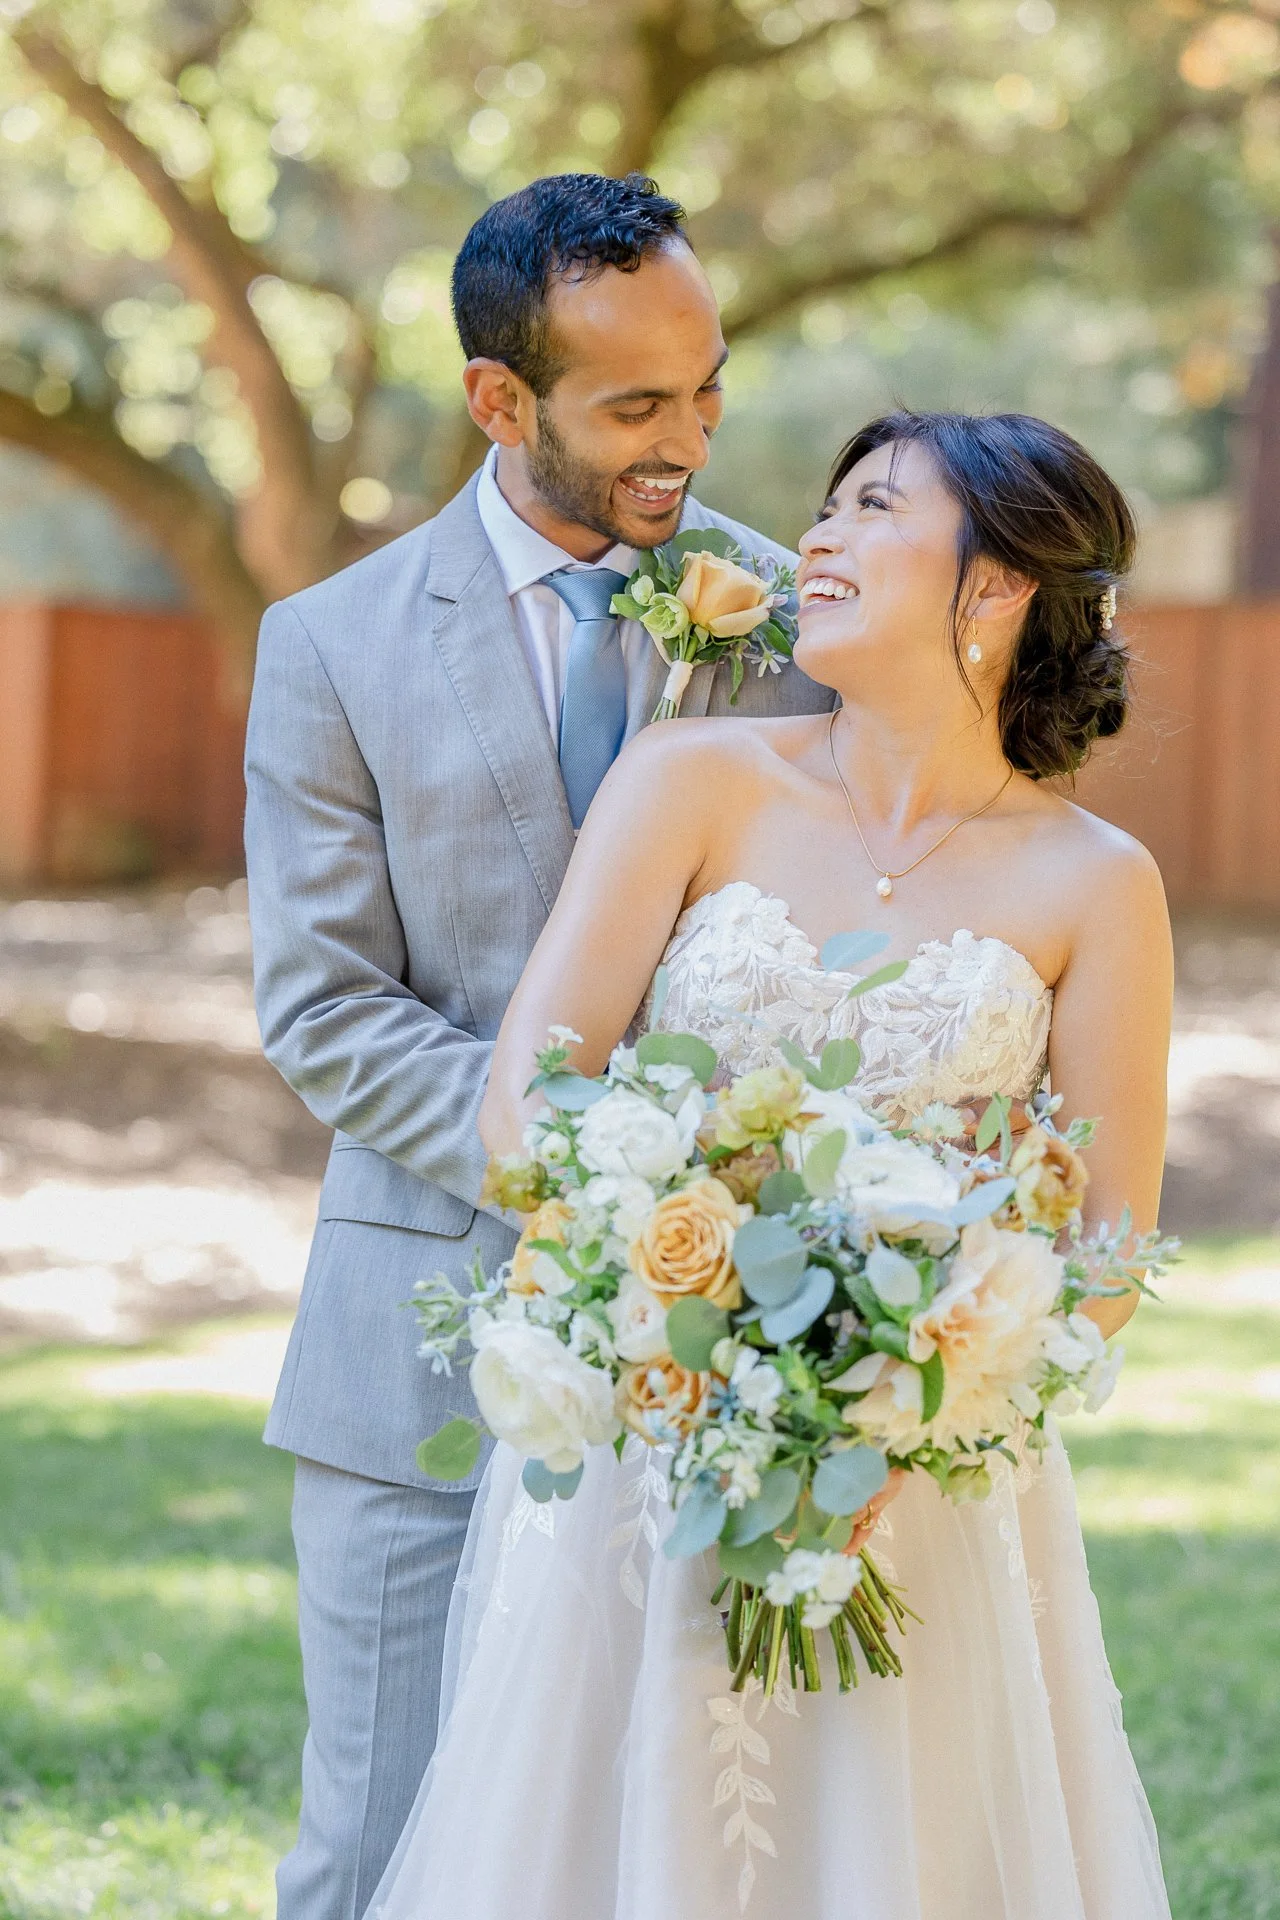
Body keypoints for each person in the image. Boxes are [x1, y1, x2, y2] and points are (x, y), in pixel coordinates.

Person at [365, 410, 1174, 1919]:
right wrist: (696, 1331)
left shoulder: (1099, 886)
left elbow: (1108, 1256)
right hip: (653, 1445)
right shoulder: (692, 781)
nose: (815, 535)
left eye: (874, 508)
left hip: (921, 1480)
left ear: (995, 587)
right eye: (826, 506)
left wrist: (893, 1384)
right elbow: (528, 1102)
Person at [243, 171, 834, 1920]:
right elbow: (328, 1010)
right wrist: (591, 1170)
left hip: (734, 1360)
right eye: (635, 406)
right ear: (502, 402)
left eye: (708, 385)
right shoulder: (331, 646)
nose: (691, 438)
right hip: (419, 1347)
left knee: (677, 1847)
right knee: (376, 1850)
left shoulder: (800, 619)